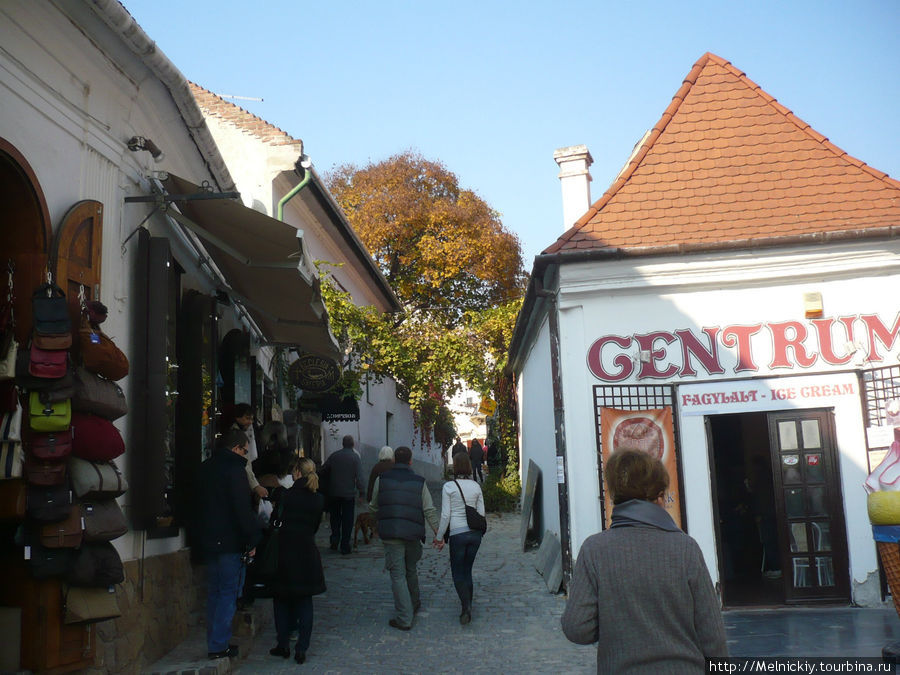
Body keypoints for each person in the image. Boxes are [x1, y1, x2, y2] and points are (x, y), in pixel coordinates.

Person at [560, 449, 727, 672]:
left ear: (614, 495)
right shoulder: (686, 548)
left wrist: (614, 618)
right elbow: (713, 635)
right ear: (659, 498)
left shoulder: (595, 550)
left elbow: (577, 629)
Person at [197, 429, 261, 660]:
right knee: (227, 594)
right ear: (236, 448)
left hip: (209, 540)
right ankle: (218, 645)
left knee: (215, 593)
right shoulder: (235, 471)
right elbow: (241, 509)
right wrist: (252, 538)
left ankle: (215, 642)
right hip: (229, 541)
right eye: (245, 450)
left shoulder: (205, 468)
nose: (246, 455)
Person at [369, 445, 440, 631]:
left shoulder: (381, 480)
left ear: (393, 460)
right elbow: (429, 510)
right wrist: (438, 534)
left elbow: (373, 507)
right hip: (413, 534)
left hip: (391, 534)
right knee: (411, 569)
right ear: (410, 461)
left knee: (398, 576)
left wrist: (377, 522)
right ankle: (414, 603)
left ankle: (404, 617)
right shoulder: (419, 481)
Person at [268, 457, 326, 665]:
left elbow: (274, 521)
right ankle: (302, 648)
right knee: (304, 601)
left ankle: (283, 644)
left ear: (298, 473)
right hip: (307, 553)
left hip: (284, 553)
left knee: (282, 600)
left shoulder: (285, 496)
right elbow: (314, 527)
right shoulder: (318, 499)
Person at [433, 452, 485, 624]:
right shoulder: (476, 486)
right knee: (467, 570)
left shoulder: (449, 487)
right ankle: (468, 603)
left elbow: (446, 515)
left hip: (457, 534)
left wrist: (439, 537)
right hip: (475, 535)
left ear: (454, 466)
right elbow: (482, 514)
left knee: (457, 572)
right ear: (469, 466)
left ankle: (466, 608)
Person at [321, 435, 365, 554]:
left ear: (342, 444)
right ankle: (345, 545)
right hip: (348, 495)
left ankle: (335, 540)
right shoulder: (355, 458)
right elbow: (360, 477)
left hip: (334, 493)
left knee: (335, 518)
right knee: (347, 520)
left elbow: (323, 469)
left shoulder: (334, 456)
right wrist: (362, 493)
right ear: (353, 444)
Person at [231, 403, 268, 500]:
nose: (250, 422)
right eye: (247, 418)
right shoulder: (236, 436)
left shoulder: (244, 433)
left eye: (251, 419)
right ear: (237, 417)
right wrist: (255, 486)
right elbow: (245, 463)